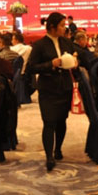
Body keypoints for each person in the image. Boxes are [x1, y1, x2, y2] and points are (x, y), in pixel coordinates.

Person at [27, 12, 79, 171]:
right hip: (48, 88)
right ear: (52, 27)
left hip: (65, 87)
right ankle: (49, 156)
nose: (64, 28)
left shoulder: (66, 42)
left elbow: (77, 55)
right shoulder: (40, 45)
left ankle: (58, 149)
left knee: (62, 121)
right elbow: (31, 67)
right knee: (49, 122)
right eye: (62, 26)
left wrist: (75, 60)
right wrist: (51, 64)